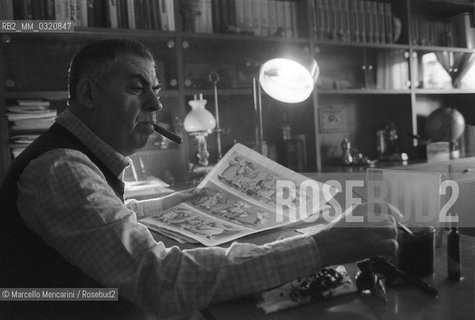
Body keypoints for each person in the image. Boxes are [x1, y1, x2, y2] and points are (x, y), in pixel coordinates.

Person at [0, 38, 398, 320]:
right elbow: (164, 282)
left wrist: (190, 198)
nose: (156, 104)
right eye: (137, 88)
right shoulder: (63, 169)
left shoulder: (71, 157)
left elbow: (111, 216)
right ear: (88, 94)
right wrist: (320, 247)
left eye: (155, 90)